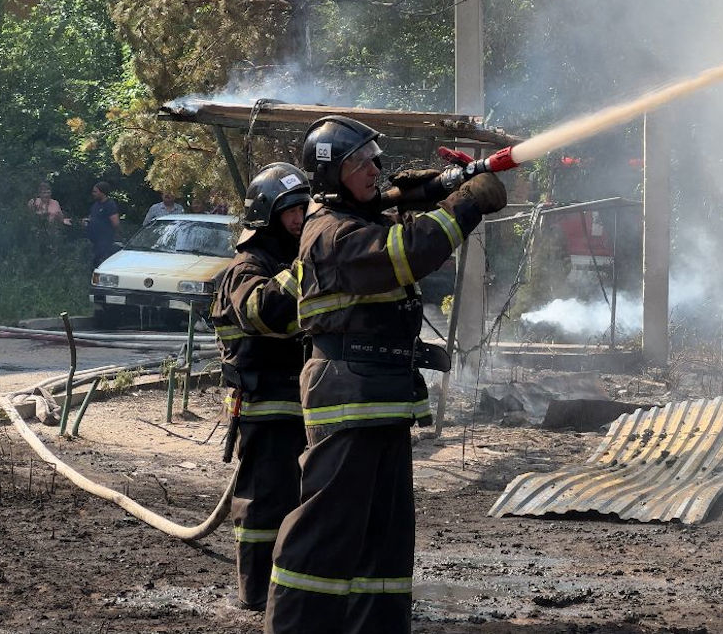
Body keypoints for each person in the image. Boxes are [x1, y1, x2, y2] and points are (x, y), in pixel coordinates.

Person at [264, 116, 507, 634]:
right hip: (349, 397)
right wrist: (463, 203)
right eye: (359, 163)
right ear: (332, 176)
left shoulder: (357, 218)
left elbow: (391, 224)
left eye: (374, 158)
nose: (374, 168)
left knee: (386, 534)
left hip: (380, 395)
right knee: (326, 527)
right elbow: (406, 252)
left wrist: (425, 191)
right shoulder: (330, 233)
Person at [211, 162, 311, 612]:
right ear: (267, 214)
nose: (299, 217)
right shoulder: (246, 267)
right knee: (263, 503)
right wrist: (311, 264)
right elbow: (264, 311)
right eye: (290, 209)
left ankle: (290, 588)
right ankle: (254, 592)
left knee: (300, 500)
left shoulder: (292, 259)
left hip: (305, 404)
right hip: (265, 403)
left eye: (303, 207)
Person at [85, 181, 120, 267]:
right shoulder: (95, 205)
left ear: (102, 192)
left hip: (105, 241)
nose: (93, 194)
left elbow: (115, 223)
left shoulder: (110, 205)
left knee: (101, 263)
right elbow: (92, 217)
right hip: (94, 240)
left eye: (95, 191)